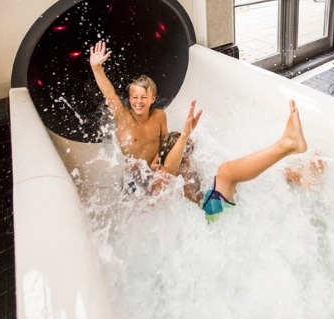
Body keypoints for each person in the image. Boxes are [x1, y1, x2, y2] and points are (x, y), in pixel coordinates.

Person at [153, 99, 311, 223]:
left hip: (207, 210)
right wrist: (184, 135)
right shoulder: (166, 177)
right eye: (183, 159)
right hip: (205, 216)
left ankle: (299, 175)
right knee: (226, 172)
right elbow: (169, 169)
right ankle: (288, 144)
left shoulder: (188, 167)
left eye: (188, 156)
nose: (189, 162)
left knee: (249, 173)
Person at [88, 40, 168, 167]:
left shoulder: (159, 116)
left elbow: (165, 142)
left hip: (154, 172)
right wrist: (97, 68)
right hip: (133, 178)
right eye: (135, 97)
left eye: (143, 97)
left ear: (152, 99)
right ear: (130, 99)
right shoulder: (123, 117)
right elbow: (110, 94)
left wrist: (155, 162)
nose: (138, 102)